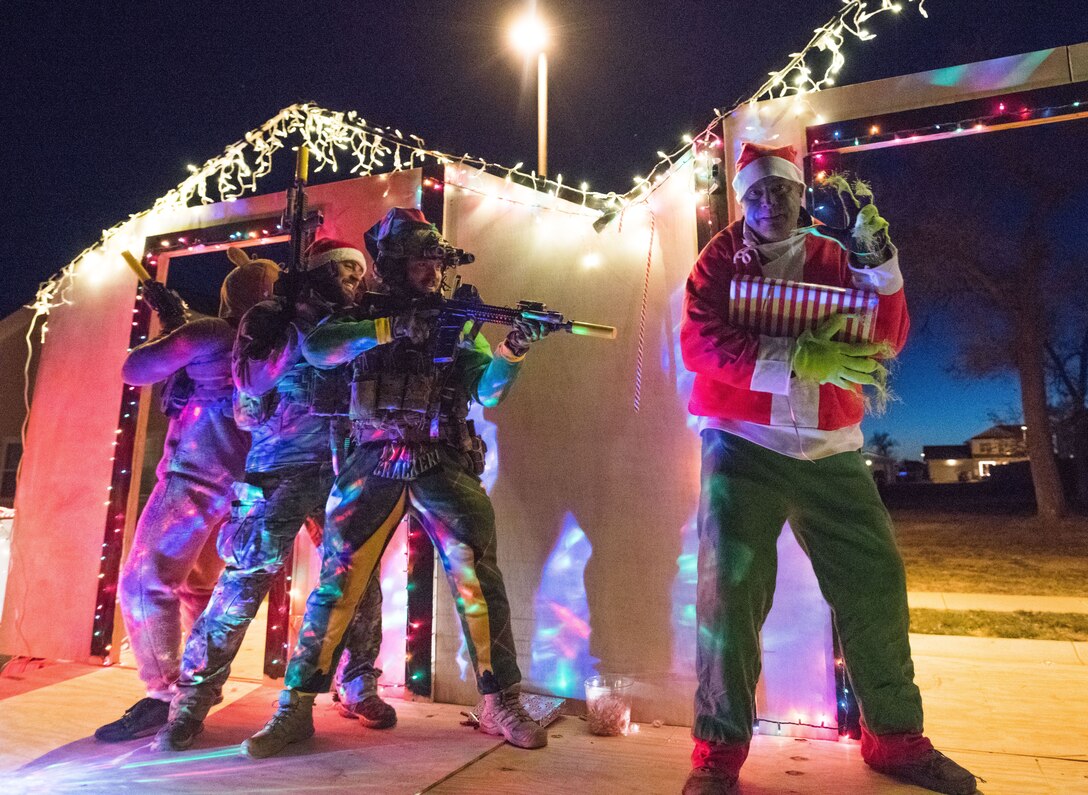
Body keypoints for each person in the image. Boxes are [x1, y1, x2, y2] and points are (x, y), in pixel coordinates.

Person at [678, 143, 977, 795]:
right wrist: (794, 358)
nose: (768, 203)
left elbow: (889, 334)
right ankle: (718, 751)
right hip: (741, 442)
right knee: (728, 592)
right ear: (741, 197)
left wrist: (876, 252)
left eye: (780, 192)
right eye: (755, 194)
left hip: (831, 447)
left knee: (875, 577)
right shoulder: (718, 260)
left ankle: (895, 737)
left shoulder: (834, 252)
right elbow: (699, 342)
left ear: (798, 195)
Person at [241, 208, 551, 759]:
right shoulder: (359, 312)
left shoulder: (454, 318)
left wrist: (512, 351)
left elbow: (488, 392)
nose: (432, 271)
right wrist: (390, 328)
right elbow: (318, 348)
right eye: (420, 261)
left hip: (442, 458)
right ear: (393, 264)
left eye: (436, 260)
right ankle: (294, 706)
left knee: (480, 584)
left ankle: (499, 699)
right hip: (372, 458)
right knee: (335, 589)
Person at [152, 241, 395, 751]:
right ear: (317, 273)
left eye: (358, 272)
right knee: (242, 583)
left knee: (359, 582)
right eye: (342, 271)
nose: (353, 280)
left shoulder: (358, 322)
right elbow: (251, 380)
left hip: (341, 469)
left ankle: (357, 684)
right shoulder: (270, 316)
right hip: (277, 468)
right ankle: (191, 702)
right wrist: (299, 326)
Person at [96, 256, 273, 742]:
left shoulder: (214, 332)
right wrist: (179, 319)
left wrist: (177, 325)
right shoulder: (272, 340)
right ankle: (198, 686)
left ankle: (165, 692)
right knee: (198, 587)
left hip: (196, 475)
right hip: (246, 481)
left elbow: (137, 368)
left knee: (142, 581)